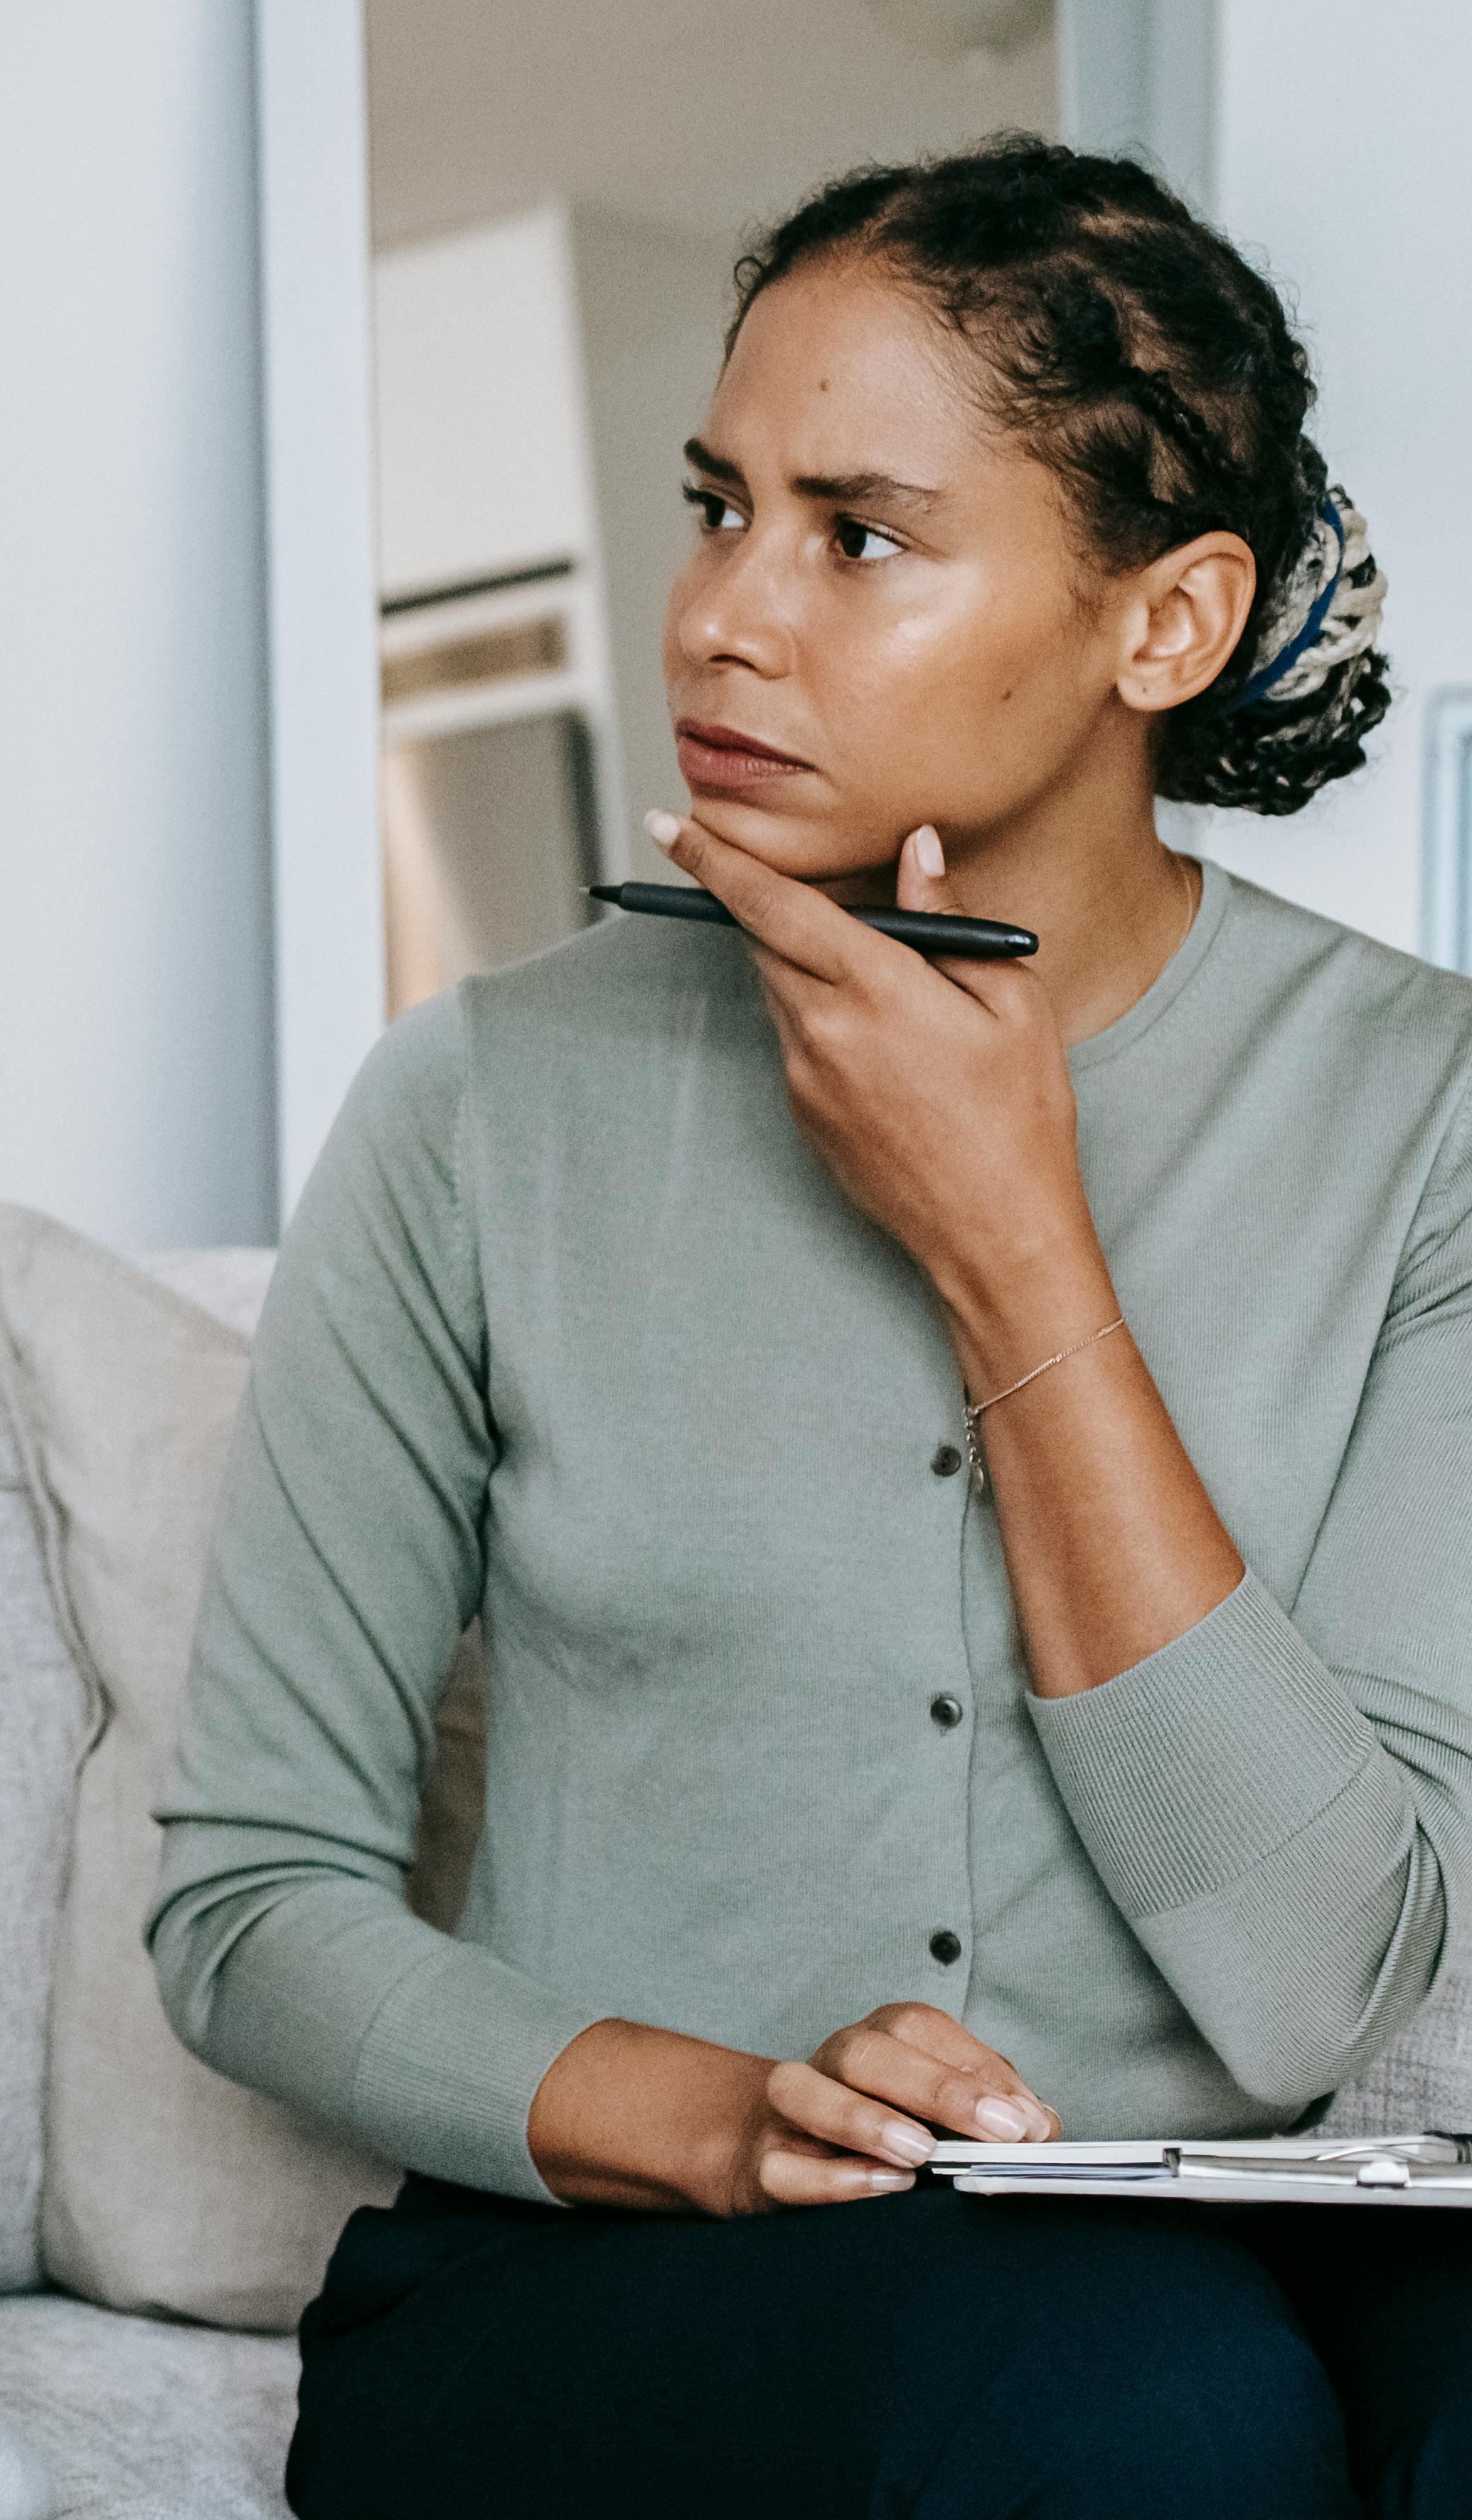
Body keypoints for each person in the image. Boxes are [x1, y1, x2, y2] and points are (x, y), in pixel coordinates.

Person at [151, 135, 1472, 2519]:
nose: (724, 618)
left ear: (1161, 628)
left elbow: (1314, 1989)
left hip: (1205, 2257)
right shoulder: (488, 1100)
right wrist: (710, 2117)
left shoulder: (1431, 1122)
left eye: (856, 535)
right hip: (599, 2282)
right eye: (717, 504)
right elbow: (253, 1905)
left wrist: (1013, 1245)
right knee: (1136, 2408)